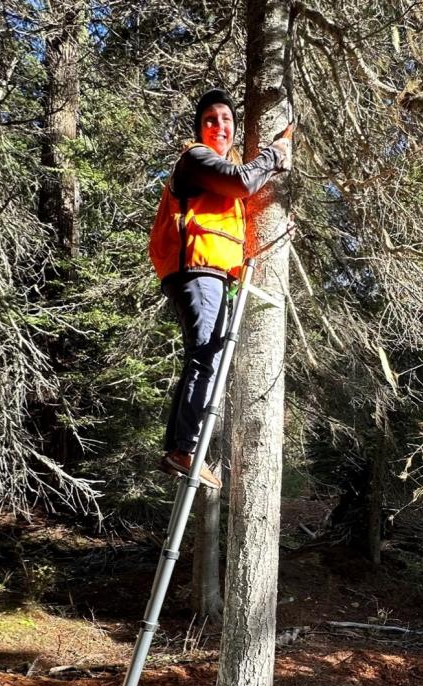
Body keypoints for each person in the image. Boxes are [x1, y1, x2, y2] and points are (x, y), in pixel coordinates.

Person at [149, 88, 292, 489]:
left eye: (226, 120)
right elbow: (244, 182)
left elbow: (237, 215)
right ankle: (184, 448)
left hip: (214, 272)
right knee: (205, 355)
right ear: (200, 128)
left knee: (205, 355)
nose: (220, 127)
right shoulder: (196, 159)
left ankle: (180, 446)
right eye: (211, 120)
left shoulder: (219, 183)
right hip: (196, 269)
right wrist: (275, 154)